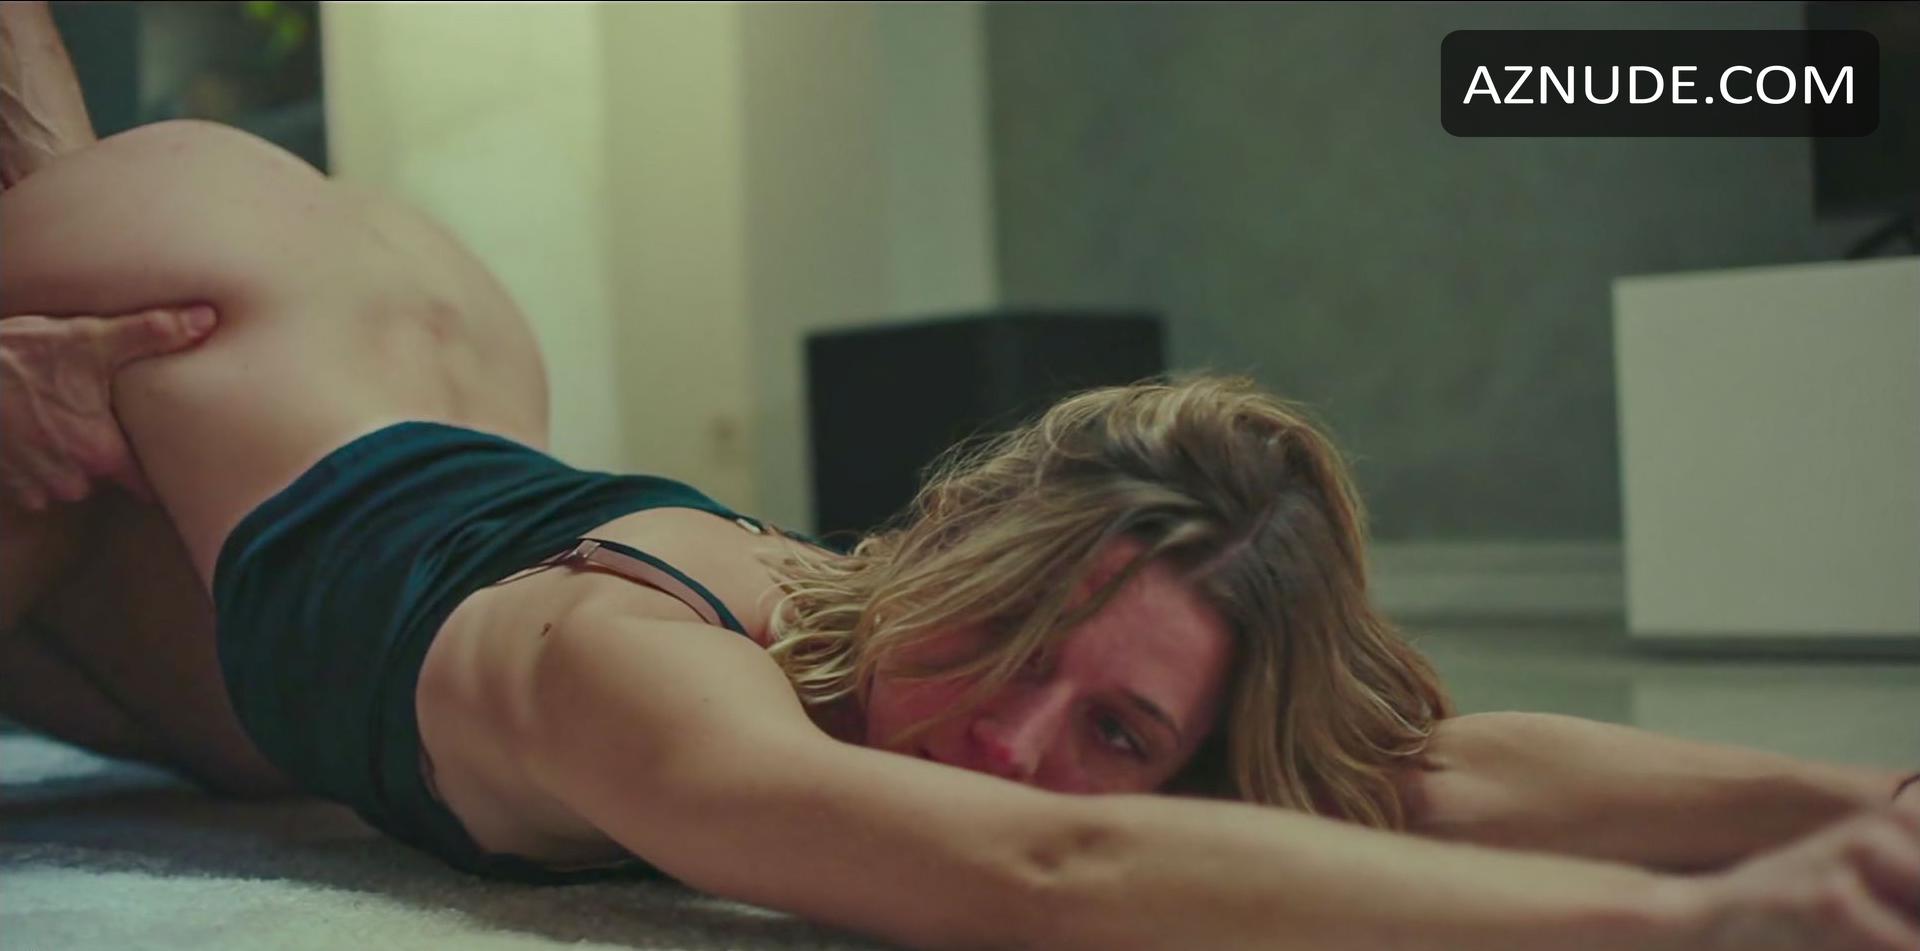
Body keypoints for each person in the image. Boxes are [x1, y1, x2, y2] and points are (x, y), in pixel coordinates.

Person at [2, 6, 1917, 948]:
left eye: (1118, 732)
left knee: (162, 686)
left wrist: (1859, 807)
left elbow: (1395, 771)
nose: (1009, 745)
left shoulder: (878, 636)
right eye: (1014, 651)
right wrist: (1684, 927)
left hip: (391, 400)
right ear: (956, 557)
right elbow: (1041, 870)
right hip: (204, 297)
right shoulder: (629, 672)